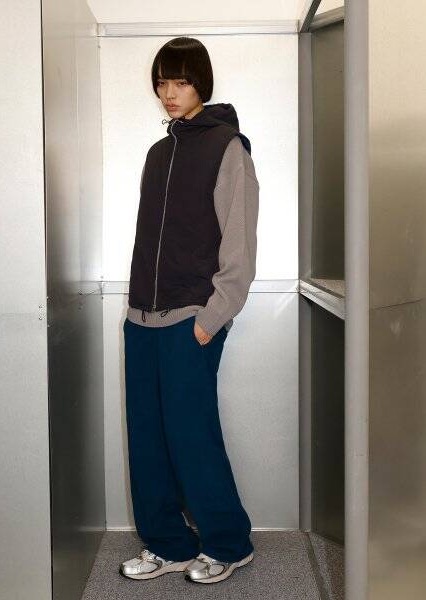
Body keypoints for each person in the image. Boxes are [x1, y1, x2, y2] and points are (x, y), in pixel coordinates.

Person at [120, 36, 260, 584]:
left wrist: (211, 318)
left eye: (179, 81)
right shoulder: (158, 154)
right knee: (147, 437)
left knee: (191, 435)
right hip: (142, 319)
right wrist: (134, 310)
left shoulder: (227, 147)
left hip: (189, 320)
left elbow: (239, 244)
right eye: (161, 82)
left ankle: (228, 543)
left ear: (200, 82)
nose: (169, 93)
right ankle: (168, 543)